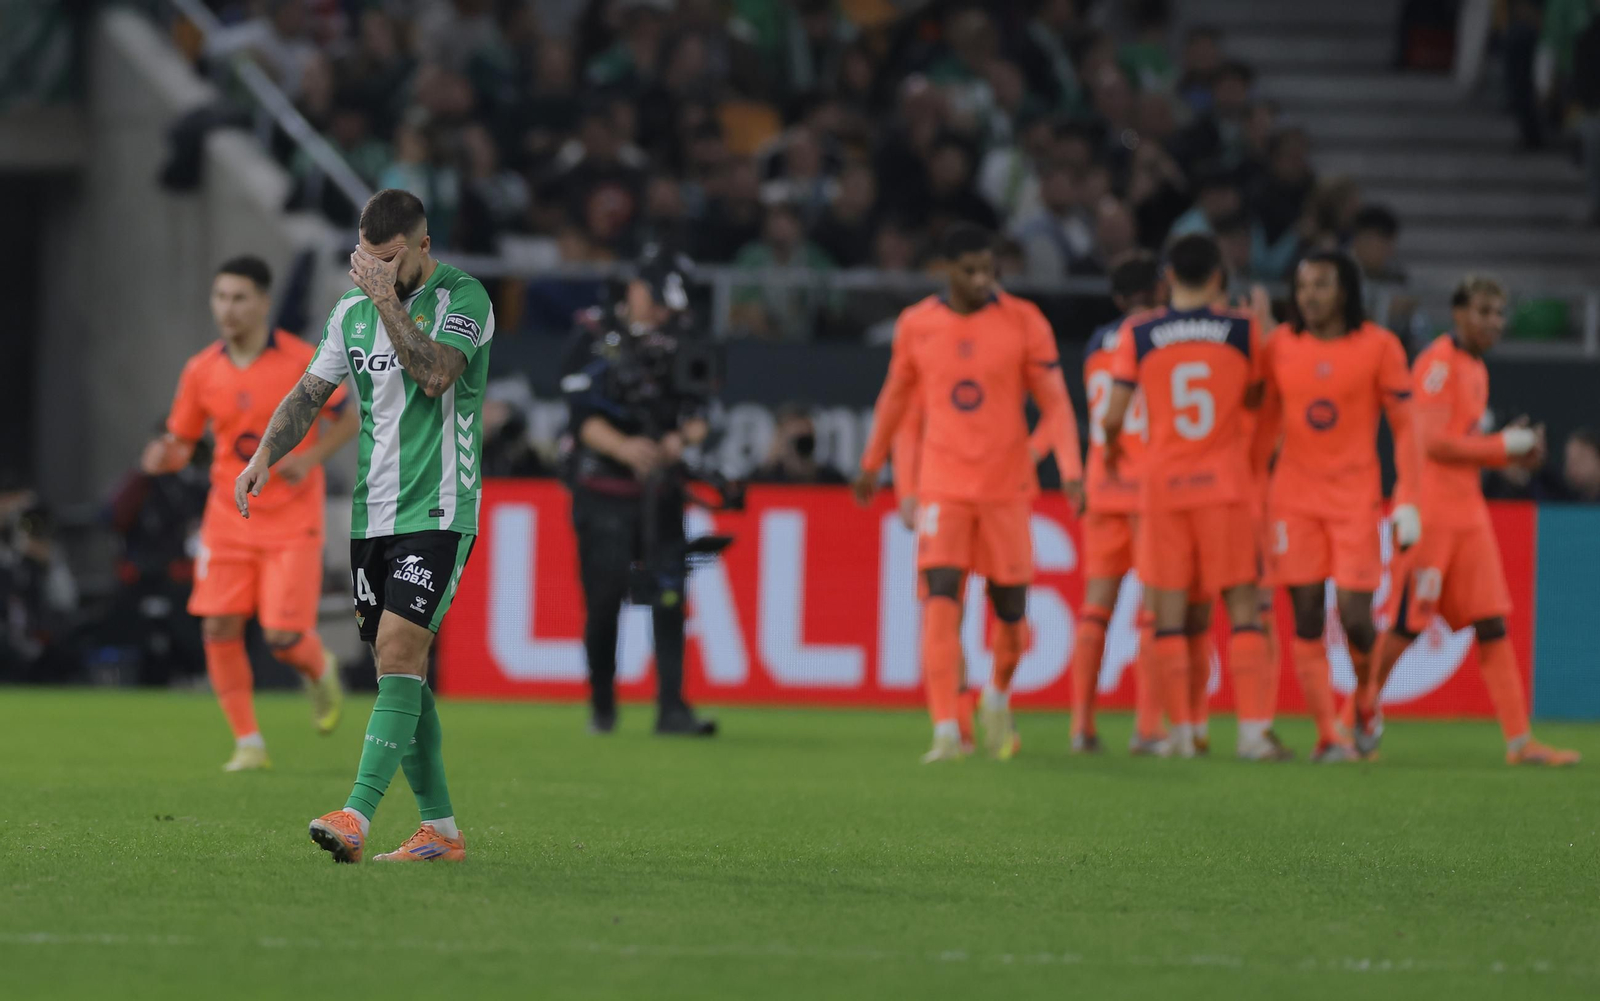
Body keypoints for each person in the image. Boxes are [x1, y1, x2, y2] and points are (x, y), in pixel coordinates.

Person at [238, 189, 497, 863]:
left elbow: (435, 375)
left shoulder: (464, 299)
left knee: (401, 650)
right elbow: (309, 392)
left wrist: (386, 300)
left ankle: (355, 814)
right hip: (371, 516)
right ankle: (439, 831)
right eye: (366, 259)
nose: (374, 272)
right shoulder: (350, 310)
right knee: (397, 668)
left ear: (422, 247)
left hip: (440, 507)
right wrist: (266, 452)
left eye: (387, 260)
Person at [852, 223, 1083, 763]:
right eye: (972, 270)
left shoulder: (1025, 321)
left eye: (990, 269)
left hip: (1005, 488)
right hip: (944, 487)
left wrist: (1070, 467)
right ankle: (946, 732)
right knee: (940, 601)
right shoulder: (917, 325)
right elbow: (895, 398)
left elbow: (1055, 401)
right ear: (946, 270)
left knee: (1010, 612)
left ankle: (997, 696)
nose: (983, 280)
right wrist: (872, 462)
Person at [141, 256, 354, 772]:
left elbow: (350, 416)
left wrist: (310, 458)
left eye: (239, 298)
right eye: (220, 298)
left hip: (291, 517)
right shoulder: (201, 370)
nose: (228, 309)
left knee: (282, 638)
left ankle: (317, 666)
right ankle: (249, 743)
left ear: (262, 301)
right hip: (227, 517)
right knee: (218, 627)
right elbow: (183, 440)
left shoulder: (303, 358)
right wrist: (163, 456)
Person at [1359, 277, 1580, 767]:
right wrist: (1504, 446)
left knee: (1492, 623)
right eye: (1483, 312)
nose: (1493, 323)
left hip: (1469, 514)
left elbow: (1464, 445)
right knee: (1406, 624)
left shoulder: (1475, 368)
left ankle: (1520, 743)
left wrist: (1510, 457)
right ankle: (1360, 710)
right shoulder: (1438, 363)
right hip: (1432, 512)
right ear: (1458, 313)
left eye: (1499, 314)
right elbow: (1434, 443)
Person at [1100, 233, 1290, 761]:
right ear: (1216, 277)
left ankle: (1179, 733)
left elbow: (1113, 417)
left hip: (1163, 490)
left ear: (1168, 278)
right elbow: (1267, 389)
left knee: (1168, 617)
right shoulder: (1242, 330)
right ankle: (1252, 733)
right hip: (1226, 487)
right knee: (1245, 612)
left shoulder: (1139, 333)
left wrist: (1115, 453)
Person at [1253, 252, 1420, 762]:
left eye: (1321, 285)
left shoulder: (1379, 347)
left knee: (1354, 616)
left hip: (1354, 498)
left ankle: (1366, 700)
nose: (1310, 295)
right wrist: (1251, 493)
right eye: (1303, 285)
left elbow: (1408, 427)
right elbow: (1262, 428)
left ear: (1345, 290)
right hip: (1294, 499)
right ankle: (1329, 736)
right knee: (1305, 616)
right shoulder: (1279, 345)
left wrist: (1409, 498)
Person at [560, 245, 717, 738]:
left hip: (661, 492)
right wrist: (628, 448)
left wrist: (675, 441)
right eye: (658, 301)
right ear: (635, 289)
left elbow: (701, 416)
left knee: (669, 597)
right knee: (604, 601)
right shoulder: (592, 335)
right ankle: (602, 706)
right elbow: (580, 416)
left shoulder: (685, 340)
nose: (666, 313)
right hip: (603, 491)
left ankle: (672, 707)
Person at [1077, 252, 1161, 754]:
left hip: (1102, 484)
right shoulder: (1158, 337)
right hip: (1148, 486)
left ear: (1116, 298)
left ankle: (1081, 726)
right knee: (1154, 613)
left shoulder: (1095, 343)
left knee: (1095, 610)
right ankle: (1148, 727)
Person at [748, 403, 847, 485]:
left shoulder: (831, 480)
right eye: (796, 438)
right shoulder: (762, 480)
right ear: (780, 439)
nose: (802, 445)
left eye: (807, 438)